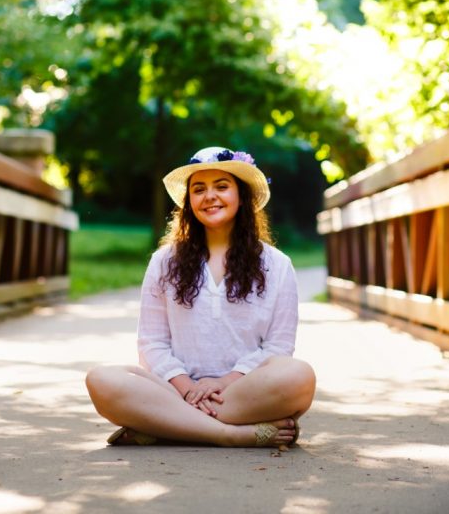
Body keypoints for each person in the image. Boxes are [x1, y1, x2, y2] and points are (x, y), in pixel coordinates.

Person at [85, 146, 316, 447]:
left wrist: (222, 383)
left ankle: (166, 425)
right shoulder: (164, 261)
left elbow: (279, 346)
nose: (210, 196)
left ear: (241, 196)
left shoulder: (276, 264)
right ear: (189, 201)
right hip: (174, 389)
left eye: (222, 186)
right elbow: (152, 342)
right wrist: (186, 387)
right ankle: (231, 435)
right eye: (199, 189)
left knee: (299, 376)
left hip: (246, 389)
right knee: (101, 380)